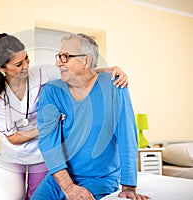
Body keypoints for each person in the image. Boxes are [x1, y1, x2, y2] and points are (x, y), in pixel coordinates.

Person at [0, 33, 129, 200]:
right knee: (14, 195)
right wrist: (48, 126)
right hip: (15, 153)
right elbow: (13, 137)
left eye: (27, 58)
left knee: (35, 193)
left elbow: (77, 71)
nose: (26, 66)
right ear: (1, 68)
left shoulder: (43, 73)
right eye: (19, 64)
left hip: (41, 151)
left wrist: (111, 70)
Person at [33, 33, 151, 200]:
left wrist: (128, 187)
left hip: (99, 179)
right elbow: (48, 141)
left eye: (65, 57)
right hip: (59, 179)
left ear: (86, 61)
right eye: (58, 57)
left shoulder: (114, 86)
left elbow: (127, 134)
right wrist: (68, 186)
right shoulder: (51, 91)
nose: (58, 63)